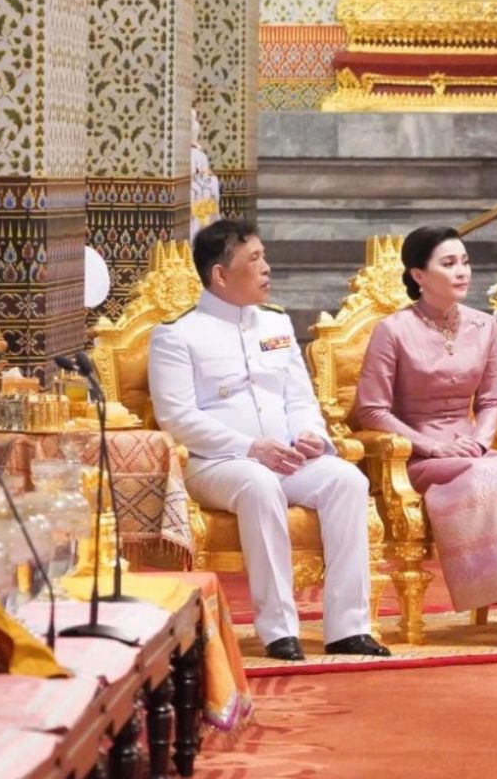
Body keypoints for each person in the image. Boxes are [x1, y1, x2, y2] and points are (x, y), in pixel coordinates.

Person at [148, 219, 389, 661]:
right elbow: (177, 417)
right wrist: (251, 448)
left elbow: (299, 397)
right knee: (257, 484)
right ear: (220, 274)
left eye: (264, 256)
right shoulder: (177, 334)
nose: (266, 268)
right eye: (254, 259)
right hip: (217, 464)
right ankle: (279, 630)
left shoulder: (276, 323)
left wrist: (310, 435)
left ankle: (348, 628)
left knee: (347, 481)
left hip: (288, 457)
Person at [353, 226, 497, 646]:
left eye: (465, 262)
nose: (462, 271)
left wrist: (481, 441)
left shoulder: (484, 325)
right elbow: (371, 410)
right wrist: (434, 446)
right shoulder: (393, 330)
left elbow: (492, 401)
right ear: (419, 275)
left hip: (473, 451)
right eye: (448, 263)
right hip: (420, 458)